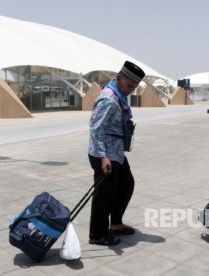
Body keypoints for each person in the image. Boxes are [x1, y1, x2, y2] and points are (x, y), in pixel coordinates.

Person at [87, 60, 145, 246]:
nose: (131, 90)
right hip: (104, 155)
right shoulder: (109, 99)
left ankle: (116, 224)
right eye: (129, 86)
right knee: (104, 195)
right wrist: (104, 157)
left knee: (126, 185)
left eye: (134, 87)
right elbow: (96, 129)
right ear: (119, 78)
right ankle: (97, 235)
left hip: (116, 152)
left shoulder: (119, 96)